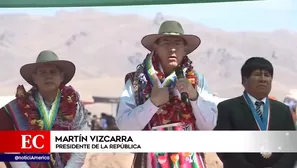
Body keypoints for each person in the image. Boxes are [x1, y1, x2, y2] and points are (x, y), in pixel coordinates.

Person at [116, 20, 224, 168]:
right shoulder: (137, 80)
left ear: (185, 49)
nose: (172, 49)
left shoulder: (197, 80)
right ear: (156, 47)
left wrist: (194, 97)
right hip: (150, 161)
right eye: (166, 43)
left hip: (190, 161)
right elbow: (125, 126)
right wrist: (152, 104)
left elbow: (210, 125)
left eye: (177, 44)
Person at [0, 50, 89, 168]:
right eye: (43, 72)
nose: (48, 76)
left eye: (53, 72)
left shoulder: (75, 107)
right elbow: (10, 149)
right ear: (34, 78)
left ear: (61, 76)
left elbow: (81, 145)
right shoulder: (16, 109)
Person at [215, 57, 296, 168]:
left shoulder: (282, 110)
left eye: (267, 75)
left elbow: (291, 148)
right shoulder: (228, 108)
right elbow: (225, 147)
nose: (263, 79)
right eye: (257, 74)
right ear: (244, 80)